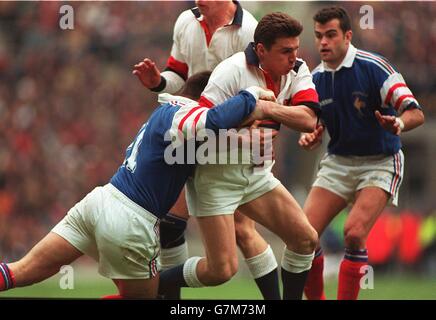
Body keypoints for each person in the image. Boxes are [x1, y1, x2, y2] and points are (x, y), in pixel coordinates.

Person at [0, 71, 276, 299]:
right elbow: (215, 121)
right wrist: (249, 96)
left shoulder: (167, 112)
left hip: (100, 202)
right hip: (131, 222)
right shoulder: (185, 114)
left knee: (19, 272)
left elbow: (213, 140)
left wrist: (248, 140)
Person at [158, 12, 321, 300]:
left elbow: (308, 118)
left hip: (257, 175)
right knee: (221, 270)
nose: (293, 58)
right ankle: (153, 286)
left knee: (305, 240)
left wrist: (266, 110)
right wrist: (244, 133)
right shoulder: (230, 72)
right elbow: (200, 129)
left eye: (295, 49)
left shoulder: (298, 68)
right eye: (285, 51)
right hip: (215, 177)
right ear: (261, 50)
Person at [133, 1, 282, 300]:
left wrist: (260, 134)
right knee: (172, 224)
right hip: (196, 130)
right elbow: (179, 76)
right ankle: (169, 298)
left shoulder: (249, 31)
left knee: (243, 230)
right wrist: (159, 82)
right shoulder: (186, 22)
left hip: (236, 137)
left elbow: (264, 91)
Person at [300, 6, 425, 300]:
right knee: (302, 237)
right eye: (318, 36)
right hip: (338, 162)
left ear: (348, 36)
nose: (323, 43)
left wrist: (398, 122)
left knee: (354, 233)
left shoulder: (375, 67)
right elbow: (313, 123)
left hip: (380, 162)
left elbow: (415, 112)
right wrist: (311, 135)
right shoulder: (314, 79)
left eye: (331, 35)